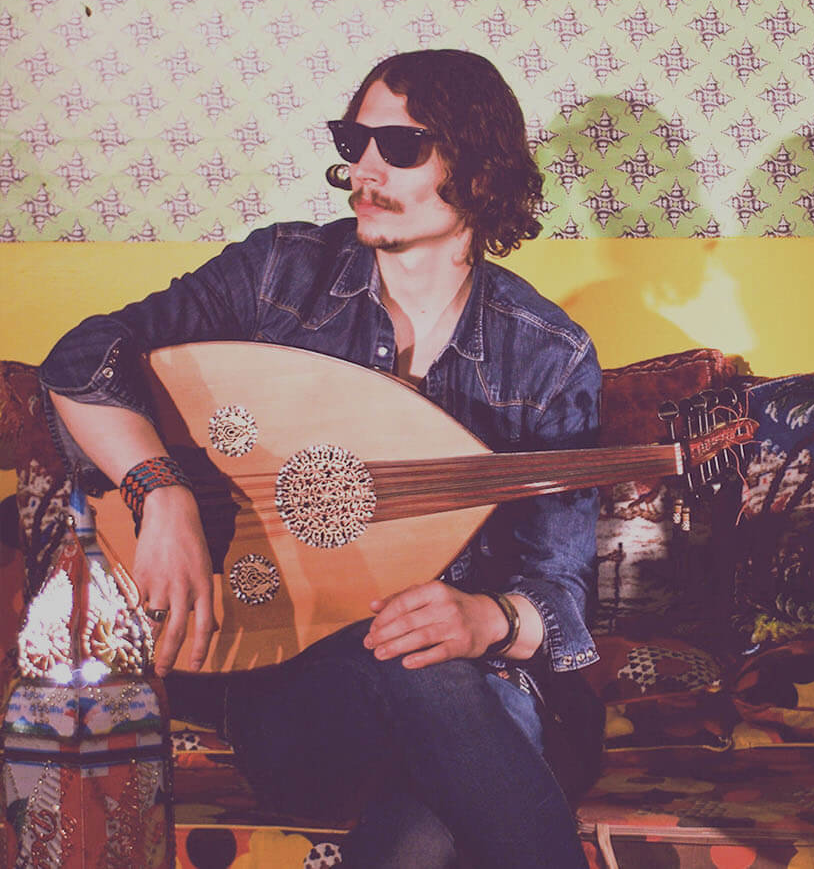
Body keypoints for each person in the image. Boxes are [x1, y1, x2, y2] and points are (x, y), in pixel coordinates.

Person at [39, 49, 600, 868]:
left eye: (399, 146)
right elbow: (86, 355)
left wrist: (487, 619)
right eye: (352, 140)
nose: (362, 168)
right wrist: (163, 492)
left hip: (482, 694)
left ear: (480, 171)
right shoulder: (281, 273)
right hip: (298, 695)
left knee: (427, 790)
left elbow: (560, 586)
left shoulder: (547, 353)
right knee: (415, 671)